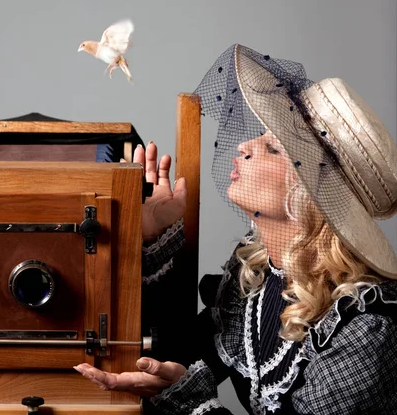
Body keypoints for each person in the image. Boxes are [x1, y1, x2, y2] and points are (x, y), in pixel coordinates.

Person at [74, 44, 397, 414]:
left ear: (313, 194)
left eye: (274, 149)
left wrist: (187, 398)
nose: (244, 145)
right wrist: (150, 234)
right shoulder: (256, 275)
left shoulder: (366, 327)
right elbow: (172, 354)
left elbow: (183, 386)